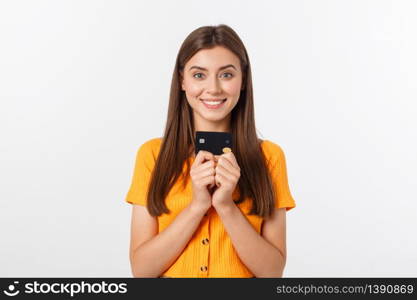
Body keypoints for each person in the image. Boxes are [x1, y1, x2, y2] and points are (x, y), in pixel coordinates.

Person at [125, 24, 296, 278]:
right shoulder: (152, 155)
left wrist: (225, 206)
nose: (214, 88)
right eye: (199, 75)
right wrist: (197, 206)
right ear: (182, 80)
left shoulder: (269, 158)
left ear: (243, 81)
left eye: (226, 75)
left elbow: (272, 273)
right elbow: (142, 271)